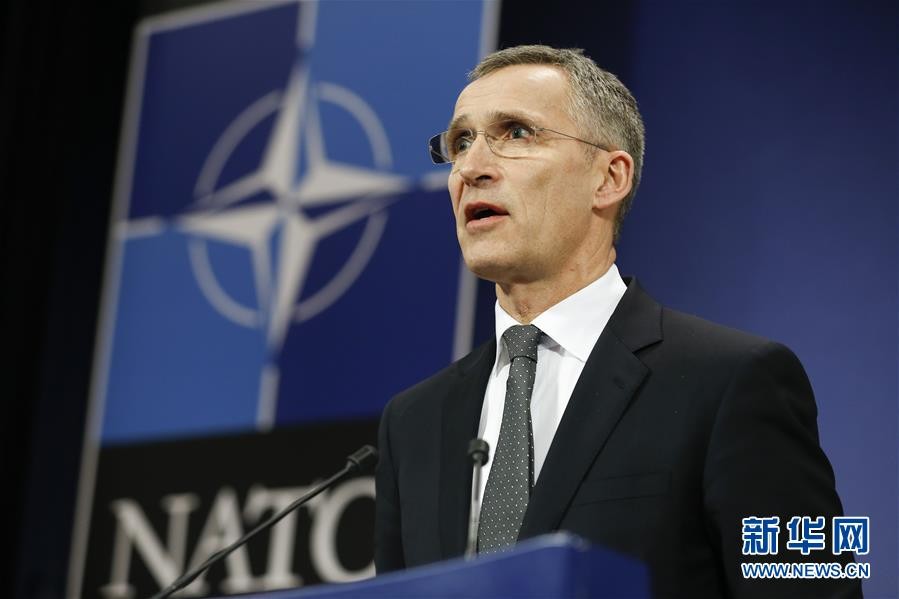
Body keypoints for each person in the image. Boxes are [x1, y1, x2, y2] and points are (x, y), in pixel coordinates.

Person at [374, 45, 860, 598]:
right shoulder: (414, 422)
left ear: (608, 178)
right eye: (461, 142)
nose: (471, 168)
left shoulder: (733, 380)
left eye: (517, 133)